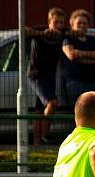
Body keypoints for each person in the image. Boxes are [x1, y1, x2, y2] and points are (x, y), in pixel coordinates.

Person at [27, 7, 66, 146]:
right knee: (52, 102)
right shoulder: (40, 31)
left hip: (50, 77)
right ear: (49, 22)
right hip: (36, 75)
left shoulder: (63, 34)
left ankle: (37, 145)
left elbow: (75, 33)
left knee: (39, 111)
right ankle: (45, 134)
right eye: (56, 22)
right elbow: (24, 30)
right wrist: (42, 33)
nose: (59, 26)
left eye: (61, 23)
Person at [61, 9, 95, 106]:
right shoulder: (68, 40)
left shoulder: (94, 40)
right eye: (79, 23)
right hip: (75, 83)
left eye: (85, 23)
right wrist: (93, 57)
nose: (82, 25)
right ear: (72, 24)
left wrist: (80, 56)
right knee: (80, 112)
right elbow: (72, 55)